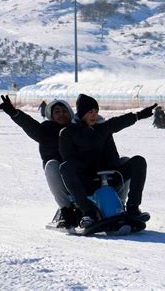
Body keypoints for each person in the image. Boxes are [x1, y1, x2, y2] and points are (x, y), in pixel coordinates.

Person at [59, 93, 157, 228]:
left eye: (96, 111)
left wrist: (139, 115)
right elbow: (69, 158)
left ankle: (133, 207)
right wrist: (89, 170)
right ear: (81, 113)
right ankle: (88, 212)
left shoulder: (102, 128)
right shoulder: (68, 132)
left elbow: (118, 122)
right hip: (86, 181)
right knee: (66, 167)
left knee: (138, 162)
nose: (94, 115)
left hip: (110, 177)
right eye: (90, 112)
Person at [0, 95, 81, 228]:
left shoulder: (78, 129)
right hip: (59, 175)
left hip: (81, 172)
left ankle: (117, 208)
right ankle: (66, 210)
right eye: (57, 112)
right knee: (52, 165)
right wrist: (14, 113)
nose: (61, 114)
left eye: (64, 111)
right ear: (51, 115)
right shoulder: (46, 130)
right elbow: (29, 125)